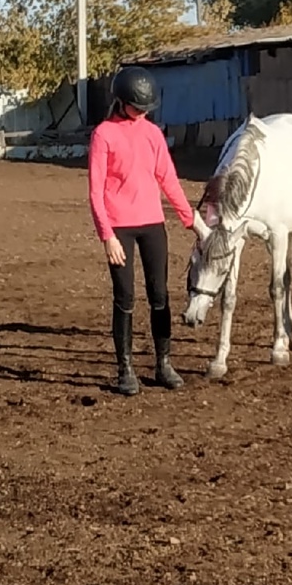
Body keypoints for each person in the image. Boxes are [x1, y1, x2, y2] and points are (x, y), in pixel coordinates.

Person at [88, 66, 196, 396]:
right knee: (125, 299)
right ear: (121, 102)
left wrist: (191, 220)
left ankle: (164, 363)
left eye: (145, 108)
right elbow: (95, 191)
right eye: (137, 107)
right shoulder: (104, 134)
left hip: (152, 225)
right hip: (120, 227)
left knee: (160, 296)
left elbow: (168, 178)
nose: (141, 113)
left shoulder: (152, 134)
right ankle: (126, 369)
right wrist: (107, 236)